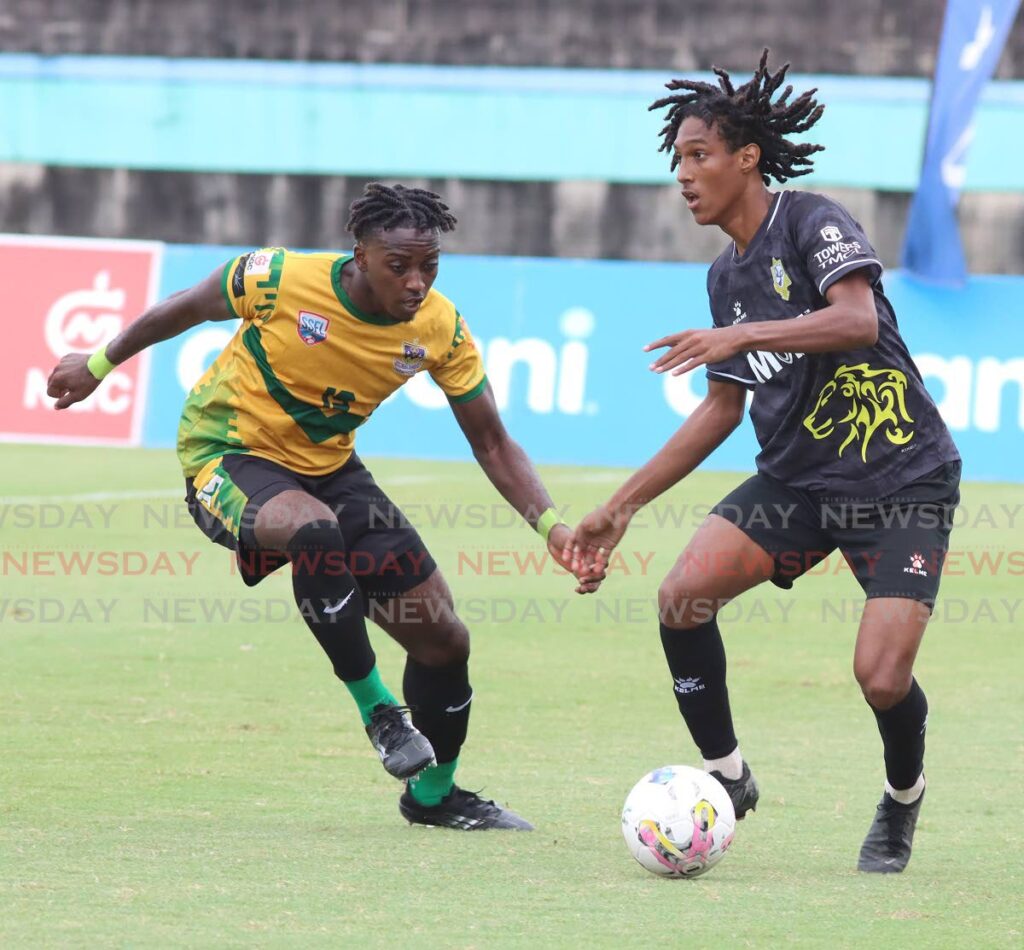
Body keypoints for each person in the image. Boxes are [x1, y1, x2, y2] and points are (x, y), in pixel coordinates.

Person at [48, 183, 597, 831]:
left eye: (430, 267)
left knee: (443, 639)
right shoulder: (279, 278)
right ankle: (380, 714)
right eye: (400, 266)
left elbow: (492, 442)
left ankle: (434, 798)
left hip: (329, 467)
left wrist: (550, 526)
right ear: (359, 255)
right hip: (226, 454)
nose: (417, 282)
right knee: (313, 530)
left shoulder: (440, 328)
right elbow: (189, 305)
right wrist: (100, 362)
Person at [567, 52, 960, 872]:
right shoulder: (726, 276)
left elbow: (853, 320)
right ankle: (728, 777)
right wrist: (622, 505)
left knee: (882, 679)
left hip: (901, 480)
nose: (684, 174)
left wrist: (741, 336)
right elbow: (721, 408)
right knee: (682, 598)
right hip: (799, 482)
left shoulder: (811, 220)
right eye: (677, 158)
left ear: (747, 157)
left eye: (699, 154)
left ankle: (901, 799)